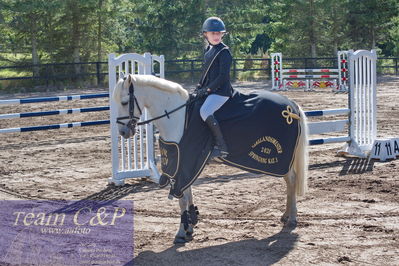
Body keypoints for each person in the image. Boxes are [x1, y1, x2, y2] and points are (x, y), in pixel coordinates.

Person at [195, 16, 233, 158]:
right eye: (213, 33)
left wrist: (207, 89)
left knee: (205, 111)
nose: (216, 36)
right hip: (210, 90)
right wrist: (199, 87)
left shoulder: (224, 52)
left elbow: (223, 77)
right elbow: (206, 73)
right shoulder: (208, 50)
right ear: (206, 34)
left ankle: (221, 147)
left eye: (219, 33)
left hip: (221, 92)